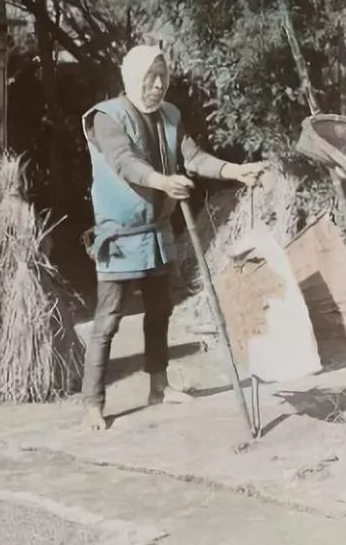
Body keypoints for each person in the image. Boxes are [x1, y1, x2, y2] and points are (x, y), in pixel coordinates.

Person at [80, 45, 265, 431]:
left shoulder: (170, 116)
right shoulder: (106, 118)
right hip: (120, 237)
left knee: (160, 312)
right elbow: (125, 162)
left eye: (162, 77)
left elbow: (193, 158)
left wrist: (234, 171)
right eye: (150, 78)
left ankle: (158, 387)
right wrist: (164, 181)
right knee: (108, 321)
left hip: (157, 233)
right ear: (133, 78)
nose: (158, 85)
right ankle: (93, 404)